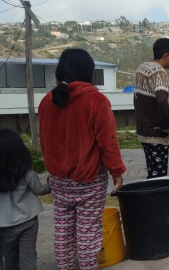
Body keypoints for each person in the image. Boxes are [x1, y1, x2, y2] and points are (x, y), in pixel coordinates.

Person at [38, 48, 126, 270]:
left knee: (63, 231)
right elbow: (108, 142)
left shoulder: (47, 101)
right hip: (89, 181)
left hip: (58, 180)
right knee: (88, 235)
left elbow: (45, 142)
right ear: (89, 71)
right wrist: (116, 171)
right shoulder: (96, 100)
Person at [0, 128, 51, 270]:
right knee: (28, 256)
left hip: (4, 224)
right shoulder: (25, 170)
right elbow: (39, 190)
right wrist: (52, 184)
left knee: (10, 258)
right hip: (28, 220)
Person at [134, 38, 169, 178]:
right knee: (159, 178)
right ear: (166, 55)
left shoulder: (141, 68)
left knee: (152, 173)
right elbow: (161, 101)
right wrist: (166, 127)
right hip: (156, 133)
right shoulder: (159, 72)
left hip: (143, 131)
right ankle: (156, 200)